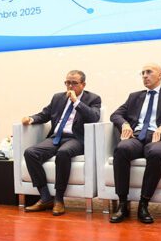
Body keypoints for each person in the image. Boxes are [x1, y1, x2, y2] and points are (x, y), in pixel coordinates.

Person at [110, 63, 161, 224]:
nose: (145, 76)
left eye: (149, 72)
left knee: (157, 153)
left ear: (160, 75)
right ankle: (123, 204)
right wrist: (125, 124)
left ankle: (144, 204)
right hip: (136, 137)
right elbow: (115, 115)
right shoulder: (134, 96)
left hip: (159, 137)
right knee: (121, 149)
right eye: (142, 73)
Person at [21, 70, 101, 216]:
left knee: (63, 153)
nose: (70, 86)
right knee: (30, 153)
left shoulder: (93, 98)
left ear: (83, 84)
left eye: (74, 83)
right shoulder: (58, 97)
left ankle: (59, 199)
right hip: (56, 137)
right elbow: (45, 114)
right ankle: (45, 197)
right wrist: (31, 119)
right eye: (67, 82)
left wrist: (76, 102)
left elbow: (94, 117)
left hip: (76, 139)